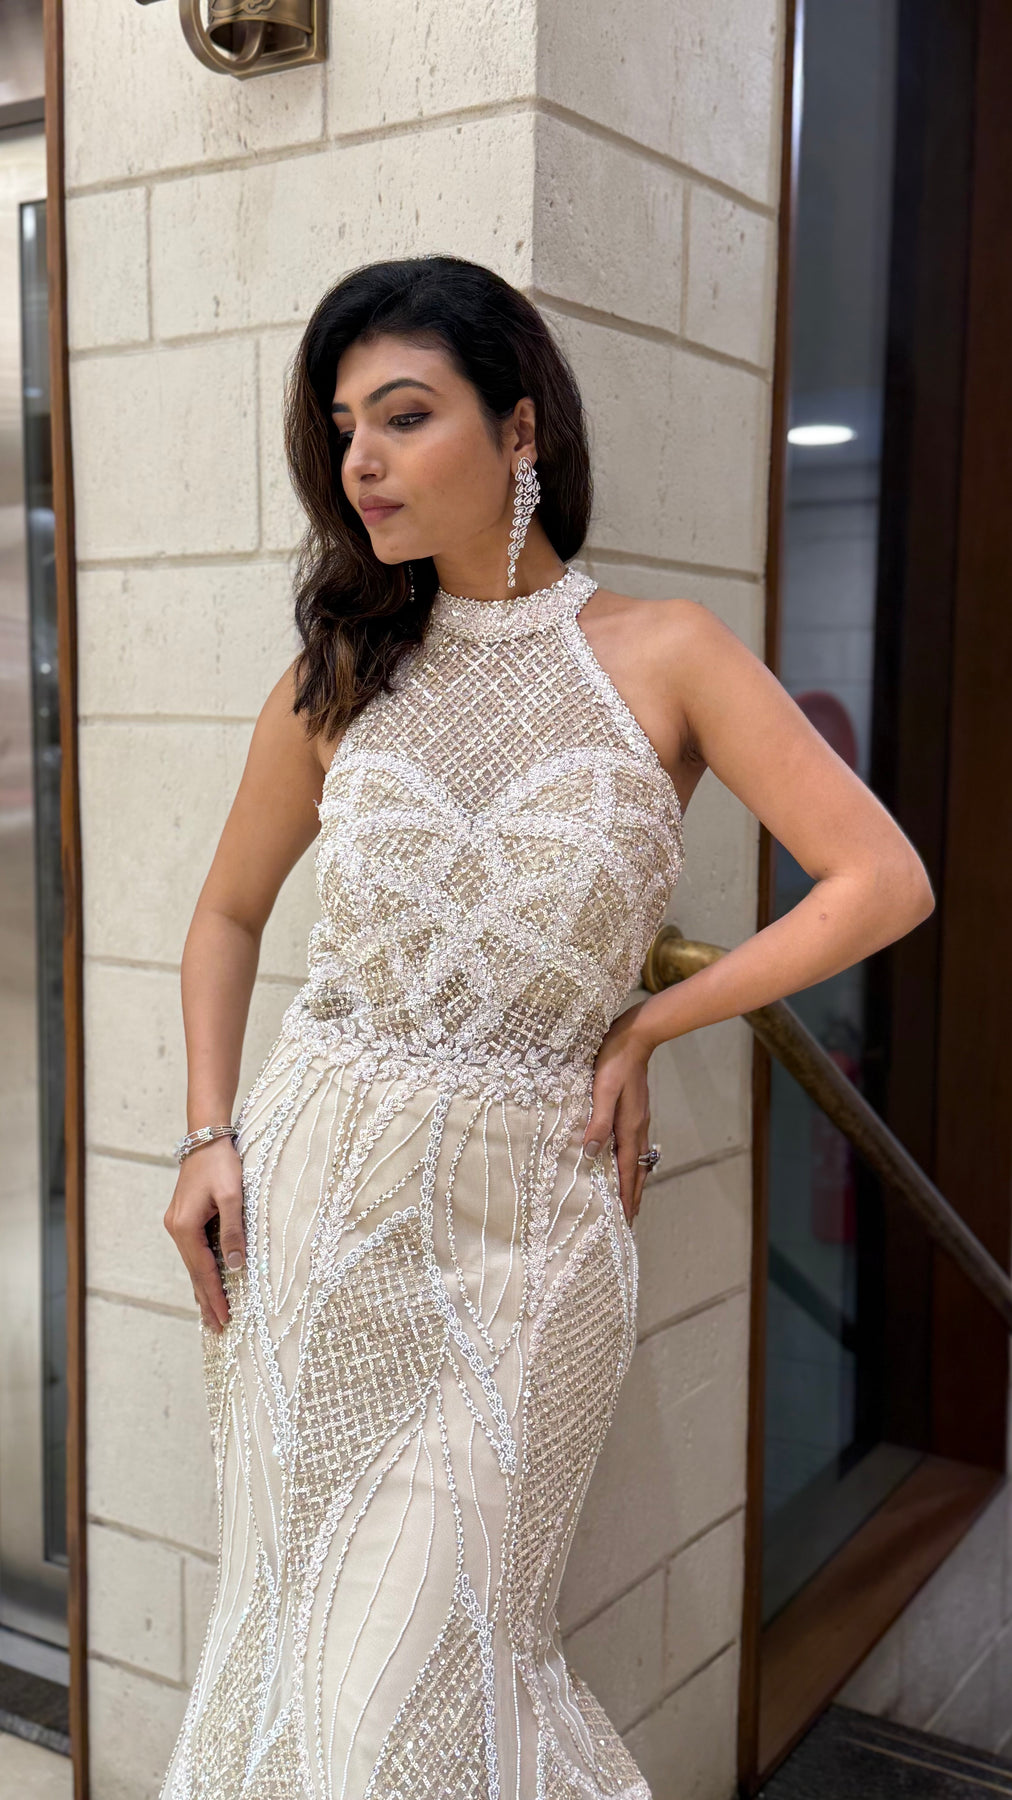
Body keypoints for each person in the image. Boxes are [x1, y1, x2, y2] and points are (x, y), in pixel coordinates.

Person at [159, 253, 934, 1800]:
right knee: (298, 1655)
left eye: (405, 416)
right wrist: (206, 1132)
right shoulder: (339, 674)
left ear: (521, 429)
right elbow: (226, 917)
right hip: (316, 1208)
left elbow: (882, 880)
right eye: (343, 430)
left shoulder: (666, 651)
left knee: (423, 1686)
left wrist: (652, 1024)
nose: (362, 462)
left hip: (531, 1234)